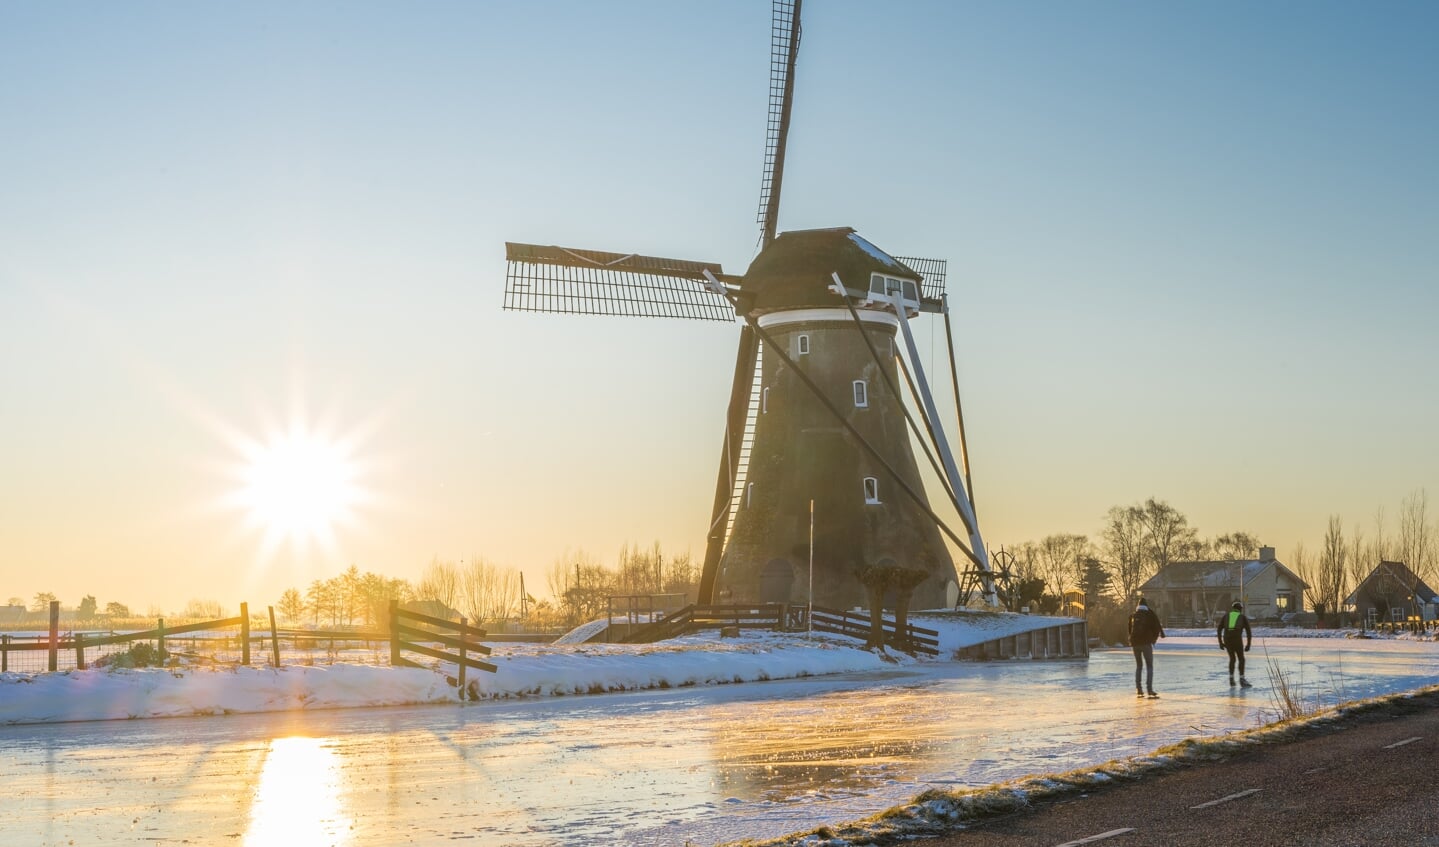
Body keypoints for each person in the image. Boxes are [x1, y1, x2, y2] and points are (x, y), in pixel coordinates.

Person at [1127, 597, 1165, 698]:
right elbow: (1156, 627)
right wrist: (1153, 639)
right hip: (1146, 643)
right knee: (1149, 666)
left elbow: (1129, 630)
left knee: (1139, 666)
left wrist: (1132, 641)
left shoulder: (1133, 615)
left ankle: (1139, 689)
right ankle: (1149, 690)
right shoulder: (1150, 614)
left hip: (1135, 644)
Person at [1218, 600, 1253, 687]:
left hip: (1227, 639)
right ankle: (1242, 679)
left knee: (1232, 659)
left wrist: (1220, 642)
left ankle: (1231, 679)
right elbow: (1248, 631)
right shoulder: (1242, 617)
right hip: (1236, 638)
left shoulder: (1226, 616)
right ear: (1240, 609)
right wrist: (1248, 644)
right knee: (1241, 658)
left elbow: (1219, 628)